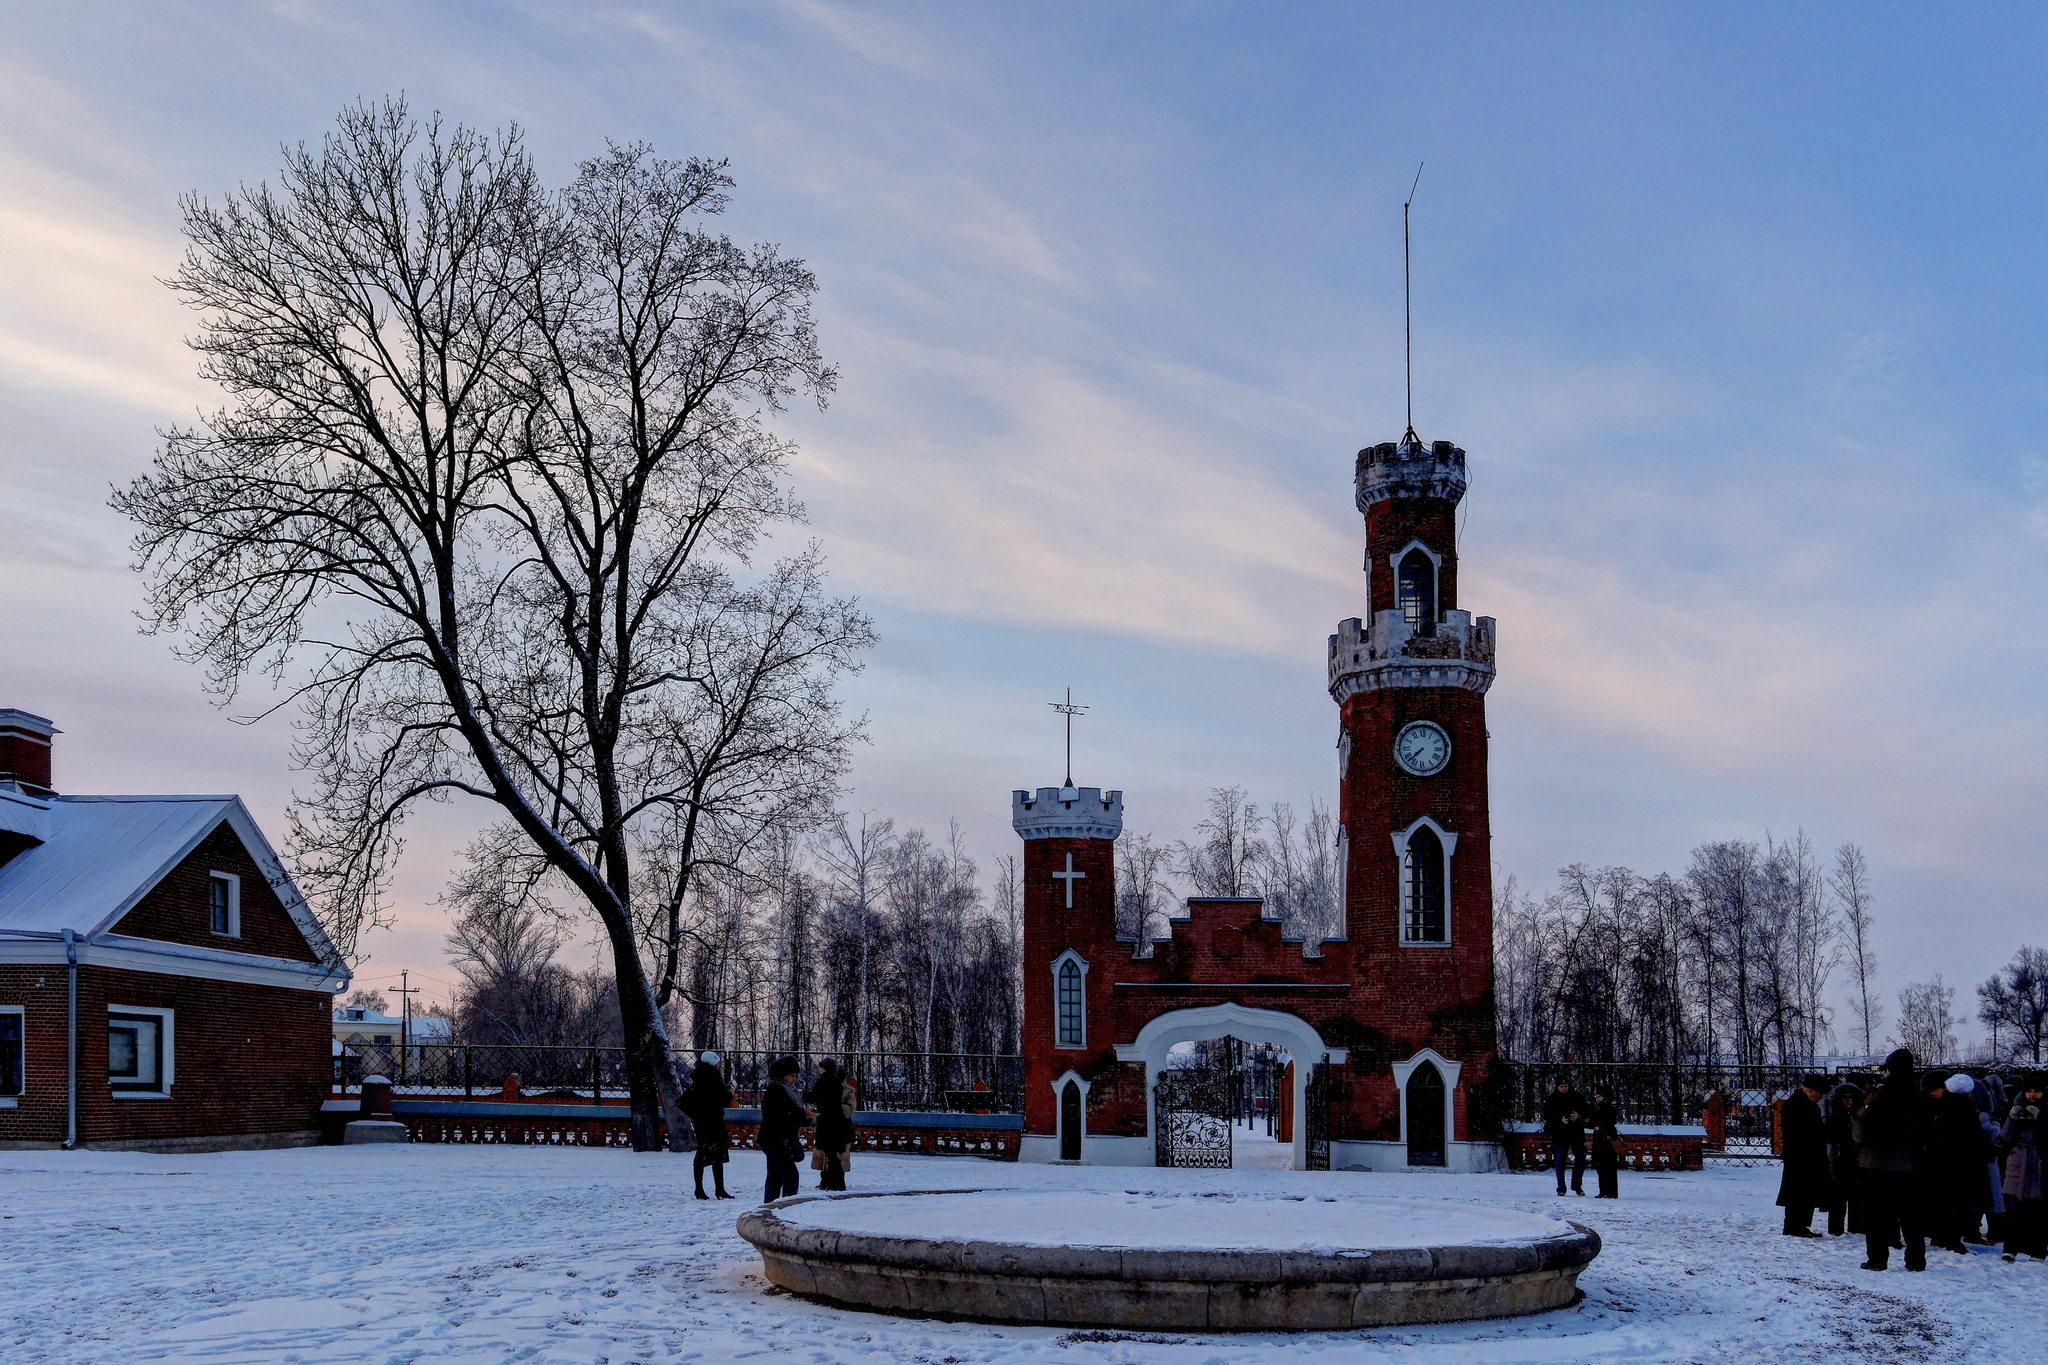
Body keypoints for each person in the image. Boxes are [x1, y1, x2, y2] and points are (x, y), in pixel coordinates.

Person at [1854, 1048, 1928, 1272]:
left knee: (1876, 1215)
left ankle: (1877, 1260)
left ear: (1889, 1068)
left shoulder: (1878, 1095)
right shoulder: (1919, 1094)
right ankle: (1916, 1261)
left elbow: (1860, 1128)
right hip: (1909, 1162)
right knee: (1911, 1216)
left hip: (1876, 1162)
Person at [1922, 1071, 1990, 1254]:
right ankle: (1953, 1240)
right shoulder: (1966, 1107)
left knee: (1941, 1200)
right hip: (1961, 1161)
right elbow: (1973, 1136)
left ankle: (1938, 1236)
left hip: (1938, 1160)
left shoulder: (1940, 1104)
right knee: (1959, 1202)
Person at [1776, 1074, 1834, 1238]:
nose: (1821, 1097)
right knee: (1798, 1193)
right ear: (1810, 1090)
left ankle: (1800, 1225)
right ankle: (1794, 1226)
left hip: (1804, 1155)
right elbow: (1807, 1132)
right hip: (1801, 1155)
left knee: (1805, 1192)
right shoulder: (1798, 1105)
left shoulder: (1803, 1104)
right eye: (1820, 1093)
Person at [2001, 1073, 2046, 1263]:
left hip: (2039, 1163)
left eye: (2036, 1091)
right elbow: (2005, 1137)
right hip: (2017, 1162)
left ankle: (2038, 1250)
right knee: (2013, 1210)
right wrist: (2012, 1118)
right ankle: (2010, 1248)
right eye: (2029, 1091)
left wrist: (2041, 1119)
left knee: (2038, 1211)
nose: (2032, 1094)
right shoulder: (2015, 1107)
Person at [681, 1051, 735, 1200]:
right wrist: (729, 1092)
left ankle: (699, 1189)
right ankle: (719, 1190)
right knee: (717, 1154)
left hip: (701, 1121)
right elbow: (722, 1101)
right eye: (718, 1062)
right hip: (714, 1120)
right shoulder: (714, 1078)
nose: (719, 1065)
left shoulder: (699, 1078)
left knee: (702, 1152)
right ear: (713, 1063)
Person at [758, 1055, 811, 1203]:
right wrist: (804, 1115)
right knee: (790, 1175)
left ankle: (769, 1209)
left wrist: (804, 1116)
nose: (794, 1079)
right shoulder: (777, 1090)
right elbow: (783, 1115)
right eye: (791, 1075)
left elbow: (791, 1114)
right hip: (776, 1140)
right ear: (782, 1075)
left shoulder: (783, 1089)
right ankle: (786, 1208)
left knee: (775, 1176)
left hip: (775, 1140)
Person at [805, 1057, 857, 1191]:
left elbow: (814, 1098)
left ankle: (836, 1182)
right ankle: (829, 1181)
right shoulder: (836, 1085)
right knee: (830, 1153)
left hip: (830, 1122)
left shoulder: (825, 1082)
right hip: (837, 1122)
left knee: (833, 1153)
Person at [1824, 1079, 1865, 1237]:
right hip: (1840, 1159)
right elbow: (1831, 1138)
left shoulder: (1858, 1116)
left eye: (1851, 1098)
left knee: (1856, 1196)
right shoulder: (1835, 1117)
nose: (1848, 1101)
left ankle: (1856, 1227)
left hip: (1856, 1159)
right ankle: (1836, 1229)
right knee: (1838, 1197)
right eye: (1845, 1098)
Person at [1542, 1078, 1589, 1197]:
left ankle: (1577, 1186)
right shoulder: (1552, 1099)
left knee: (1581, 1160)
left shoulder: (1577, 1097)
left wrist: (1578, 1115)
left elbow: (1587, 1111)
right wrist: (1559, 1119)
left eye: (1565, 1086)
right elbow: (1547, 1116)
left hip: (1576, 1133)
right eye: (1561, 1086)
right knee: (1560, 1162)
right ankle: (1561, 1188)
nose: (1564, 1088)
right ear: (1557, 1087)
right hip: (1560, 1134)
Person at [1588, 1088, 1621, 1199]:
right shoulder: (1596, 1108)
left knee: (1609, 1166)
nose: (1597, 1099)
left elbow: (1607, 1122)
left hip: (1608, 1139)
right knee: (1600, 1166)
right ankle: (1603, 1190)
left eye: (1600, 1097)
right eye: (1596, 1096)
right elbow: (1592, 1123)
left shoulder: (1610, 1109)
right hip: (1599, 1139)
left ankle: (1611, 1191)